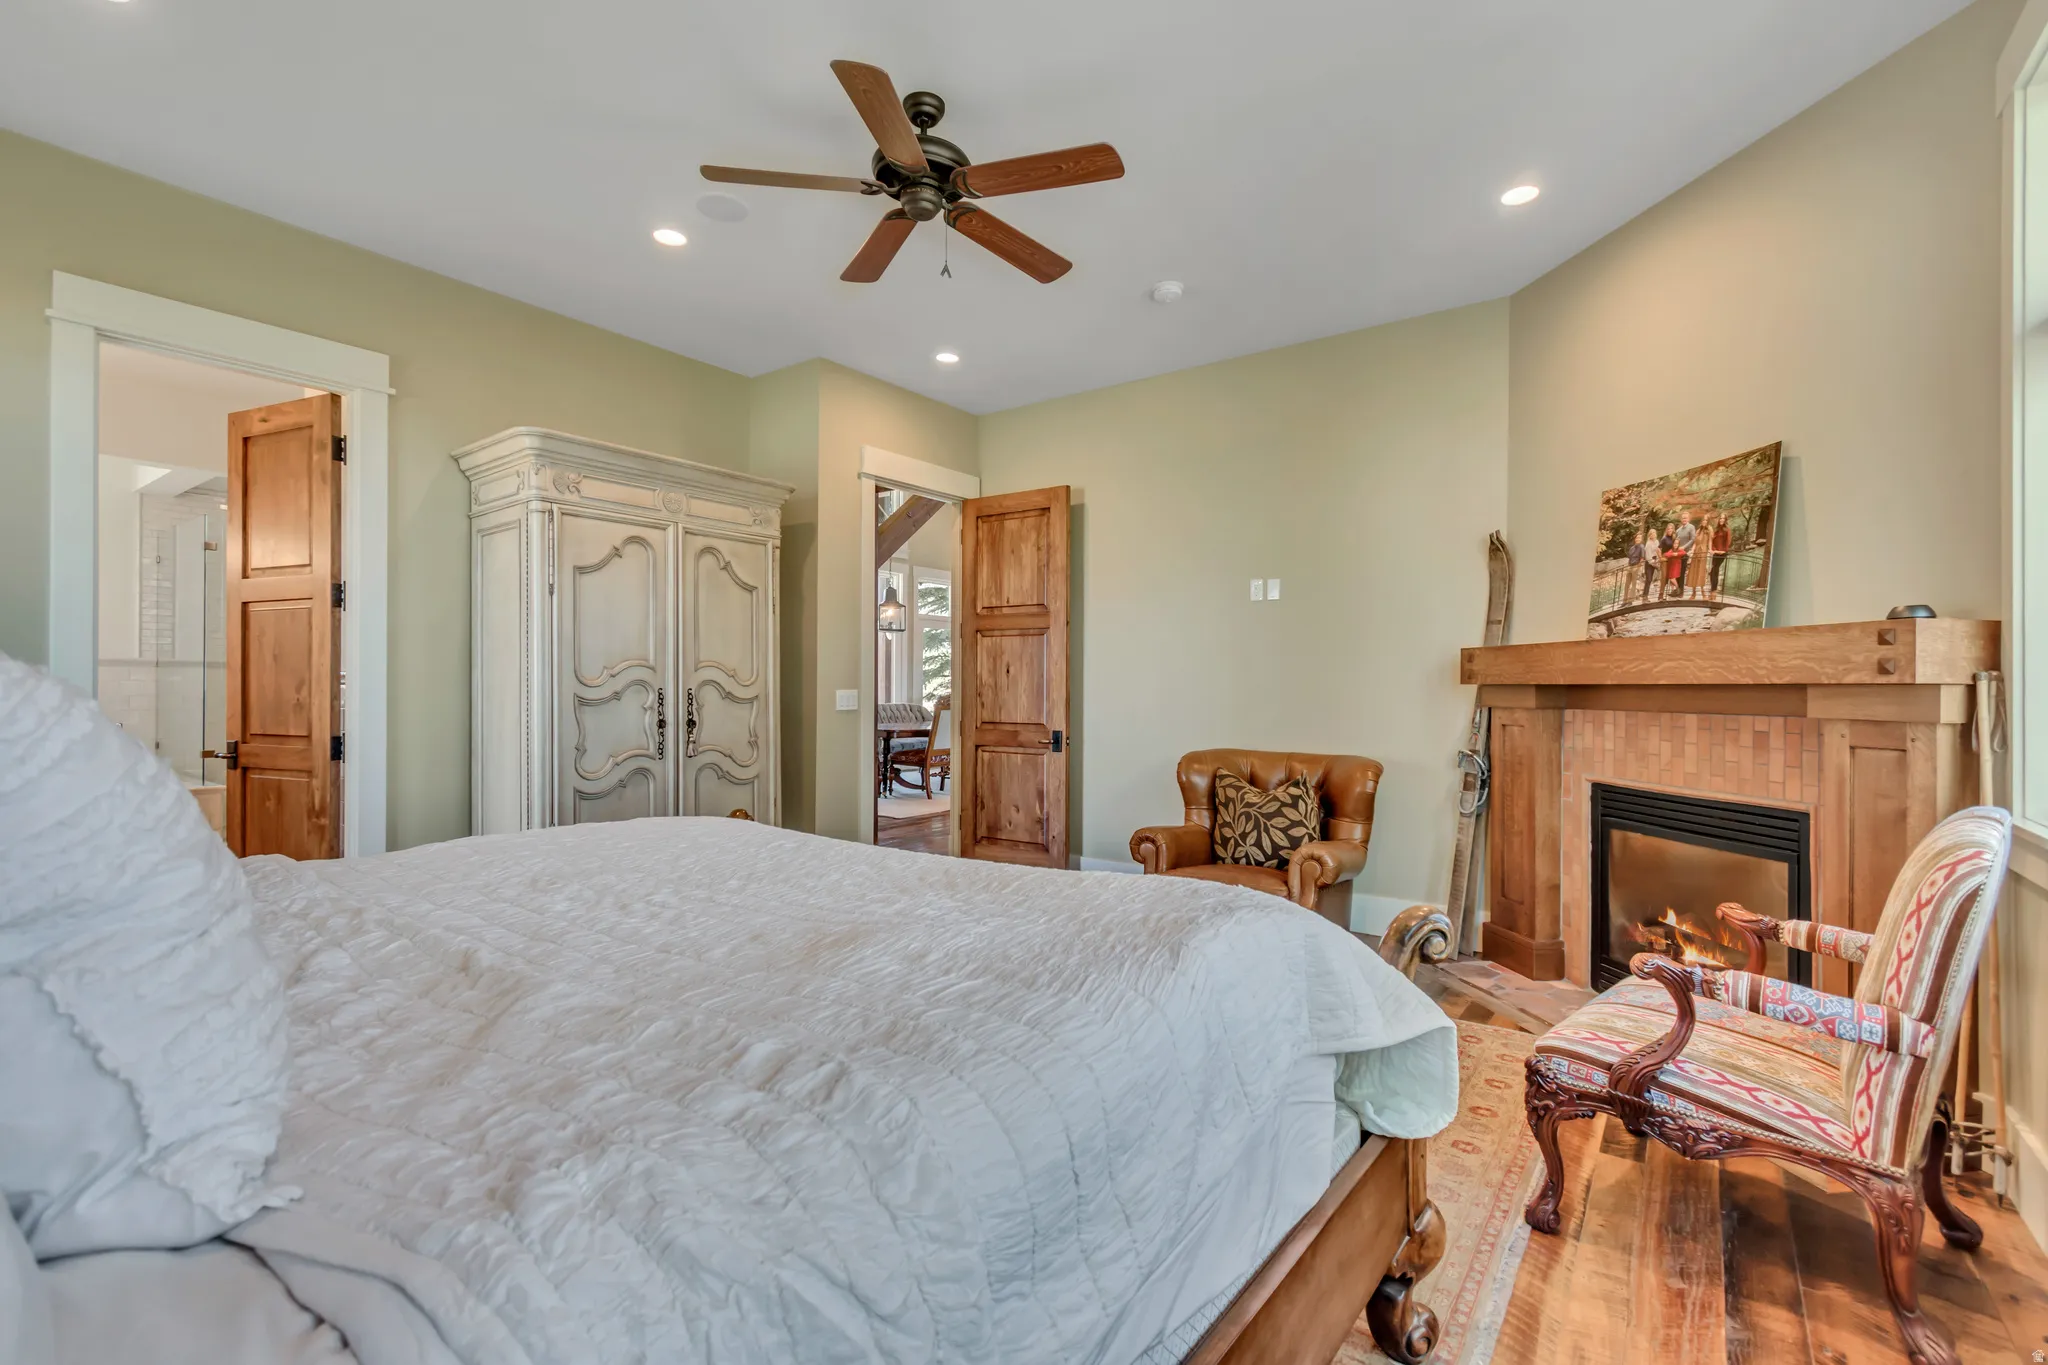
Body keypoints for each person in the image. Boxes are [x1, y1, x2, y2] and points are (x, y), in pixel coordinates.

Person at [1686, 516, 1713, 599]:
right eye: (1703, 520)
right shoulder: (1698, 531)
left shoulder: (1709, 530)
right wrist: (1692, 550)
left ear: (1708, 521)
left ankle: (1703, 593)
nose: (1704, 521)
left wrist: (1710, 550)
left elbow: (1709, 542)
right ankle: (1693, 593)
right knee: (1693, 571)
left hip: (1703, 552)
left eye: (1706, 520)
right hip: (1696, 552)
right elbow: (1695, 543)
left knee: (1701, 572)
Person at [1710, 516, 1732, 595]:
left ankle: (1713, 591)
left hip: (1722, 553)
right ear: (1719, 520)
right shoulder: (1716, 530)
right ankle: (1713, 589)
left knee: (1715, 569)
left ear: (1725, 520)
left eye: (1723, 519)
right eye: (1720, 518)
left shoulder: (1727, 530)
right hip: (1716, 552)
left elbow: (1728, 541)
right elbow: (1712, 541)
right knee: (1712, 571)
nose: (1721, 520)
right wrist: (1714, 550)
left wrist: (1723, 551)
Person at [1659, 524, 1680, 598]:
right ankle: (1660, 595)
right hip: (1665, 559)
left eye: (1671, 529)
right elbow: (1658, 549)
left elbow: (1676, 546)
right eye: (1668, 529)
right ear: (1666, 530)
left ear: (1673, 529)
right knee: (1664, 577)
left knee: (1671, 575)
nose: (1670, 530)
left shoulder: (1674, 537)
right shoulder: (1664, 538)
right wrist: (1660, 557)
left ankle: (1673, 592)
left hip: (1671, 559)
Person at [1625, 533, 1645, 603]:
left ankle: (1631, 600)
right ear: (1635, 539)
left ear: (1641, 539)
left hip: (1636, 566)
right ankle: (1625, 600)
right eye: (1637, 538)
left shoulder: (1641, 547)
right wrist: (1628, 566)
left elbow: (1642, 558)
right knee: (1627, 584)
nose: (1638, 539)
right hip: (1630, 566)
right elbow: (1629, 558)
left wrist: (1638, 567)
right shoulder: (1632, 548)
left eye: (1639, 538)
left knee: (1634, 584)